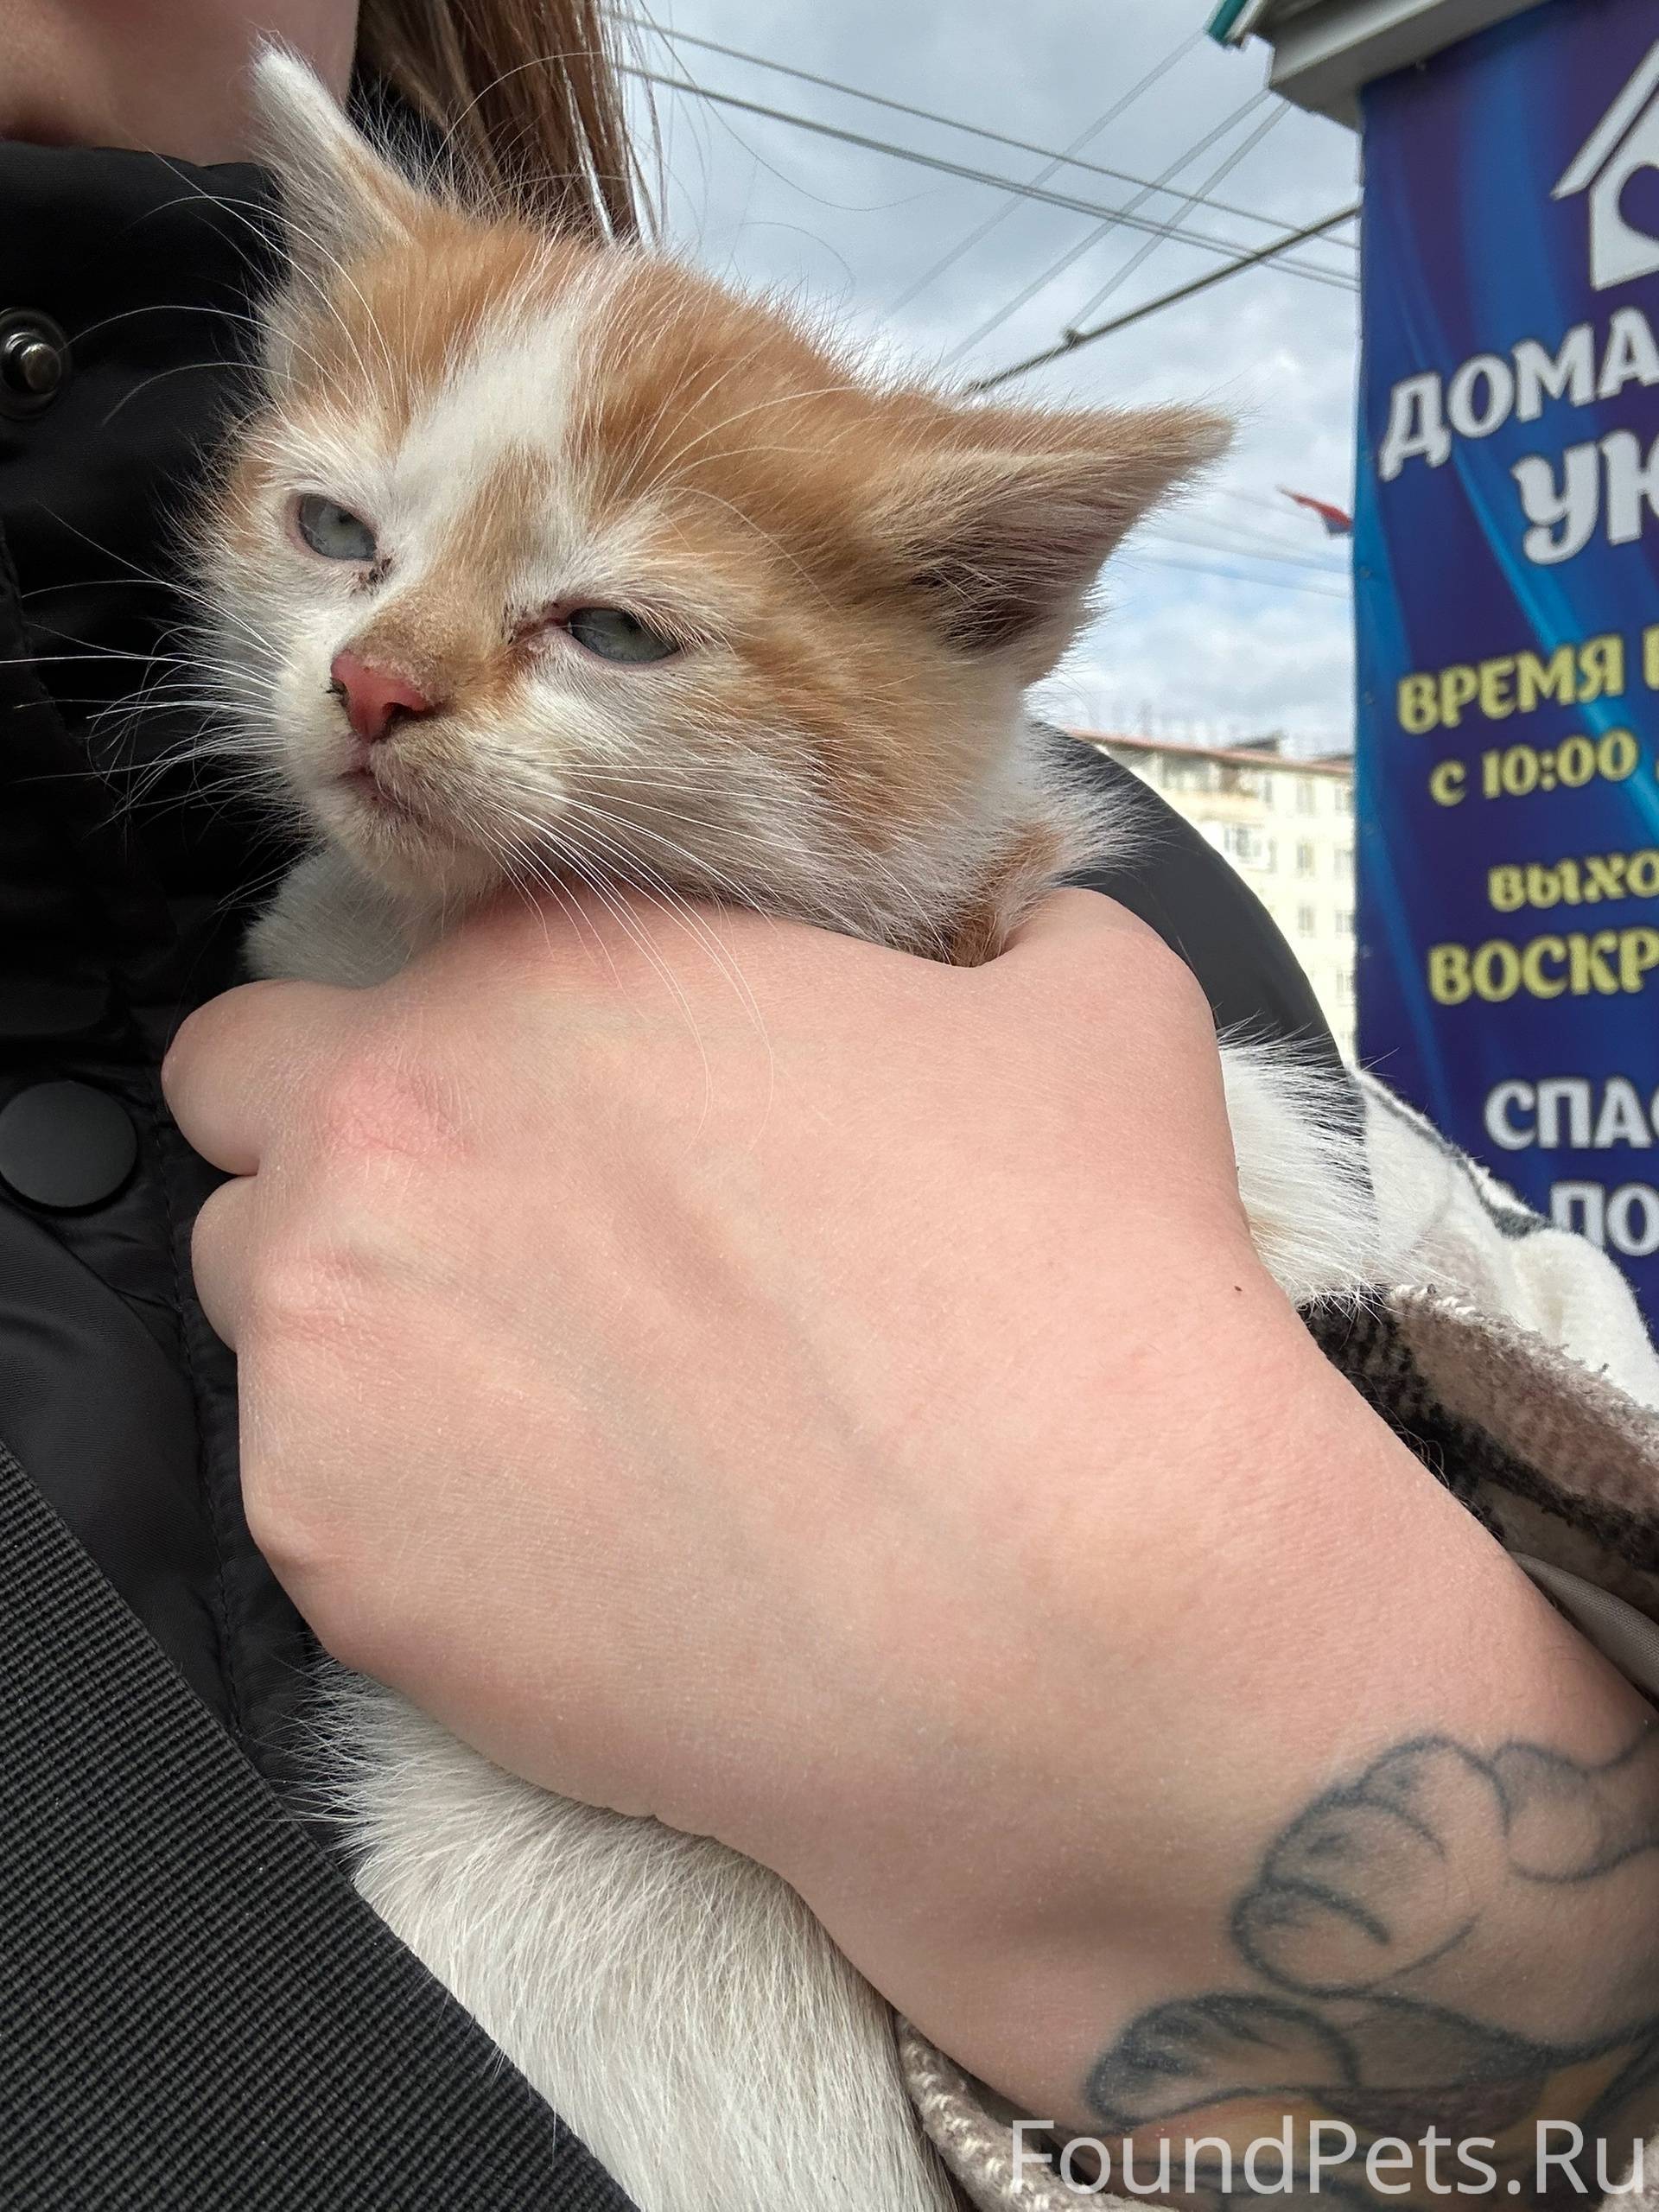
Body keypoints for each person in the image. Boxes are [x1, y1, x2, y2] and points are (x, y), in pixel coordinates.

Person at [7, 4, 1659, 2206]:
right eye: (336, 528)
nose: (385, 671)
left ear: (985, 611)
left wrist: (1363, 1790)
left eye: (609, 625)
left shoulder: (1137, 979)